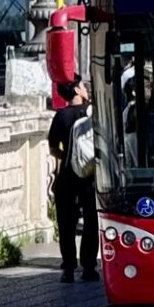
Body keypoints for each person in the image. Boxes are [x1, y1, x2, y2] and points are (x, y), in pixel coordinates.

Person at [48, 76, 98, 283]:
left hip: (67, 175)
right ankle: (89, 267)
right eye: (83, 86)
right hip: (90, 176)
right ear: (77, 90)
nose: (86, 89)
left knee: (66, 223)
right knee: (91, 221)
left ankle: (68, 268)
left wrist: (69, 157)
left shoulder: (61, 116)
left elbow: (53, 148)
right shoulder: (92, 113)